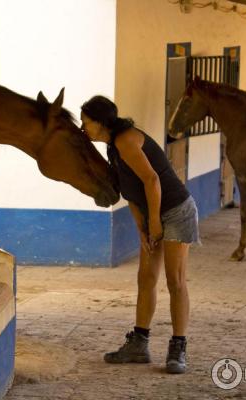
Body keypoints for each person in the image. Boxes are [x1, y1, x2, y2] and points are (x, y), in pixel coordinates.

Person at [80, 95, 200, 374]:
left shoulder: (125, 141)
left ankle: (178, 347)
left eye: (87, 123)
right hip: (151, 214)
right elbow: (131, 193)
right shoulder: (112, 148)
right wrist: (143, 228)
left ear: (101, 123)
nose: (84, 129)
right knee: (146, 278)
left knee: (175, 280)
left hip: (176, 210)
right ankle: (139, 344)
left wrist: (156, 222)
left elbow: (151, 180)